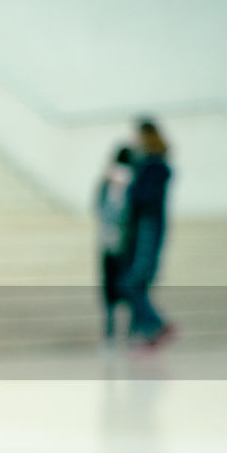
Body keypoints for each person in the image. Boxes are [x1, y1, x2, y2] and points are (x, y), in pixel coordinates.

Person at [118, 118, 176, 347]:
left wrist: (126, 183)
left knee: (132, 282)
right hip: (146, 229)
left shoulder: (154, 166)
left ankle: (156, 326)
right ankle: (146, 333)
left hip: (147, 230)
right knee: (135, 283)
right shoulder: (152, 164)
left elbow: (141, 197)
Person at [94, 146, 135, 341]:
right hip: (123, 242)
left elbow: (100, 207)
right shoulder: (131, 178)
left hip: (109, 241)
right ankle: (128, 329)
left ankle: (111, 328)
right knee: (125, 284)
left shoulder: (107, 179)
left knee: (110, 285)